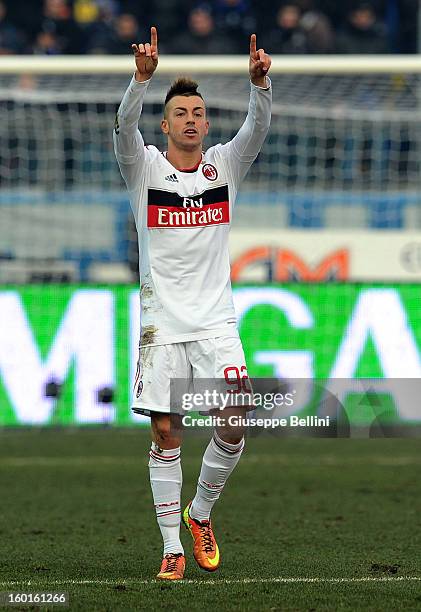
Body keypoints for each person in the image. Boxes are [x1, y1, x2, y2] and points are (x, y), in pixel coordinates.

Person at [113, 26, 271, 581]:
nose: (190, 119)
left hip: (216, 324)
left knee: (237, 417)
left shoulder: (223, 166)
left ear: (206, 122)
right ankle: (172, 547)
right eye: (180, 112)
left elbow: (257, 130)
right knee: (165, 433)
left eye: (198, 112)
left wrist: (260, 86)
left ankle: (200, 511)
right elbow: (121, 129)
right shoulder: (145, 168)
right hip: (161, 325)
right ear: (166, 123)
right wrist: (140, 80)